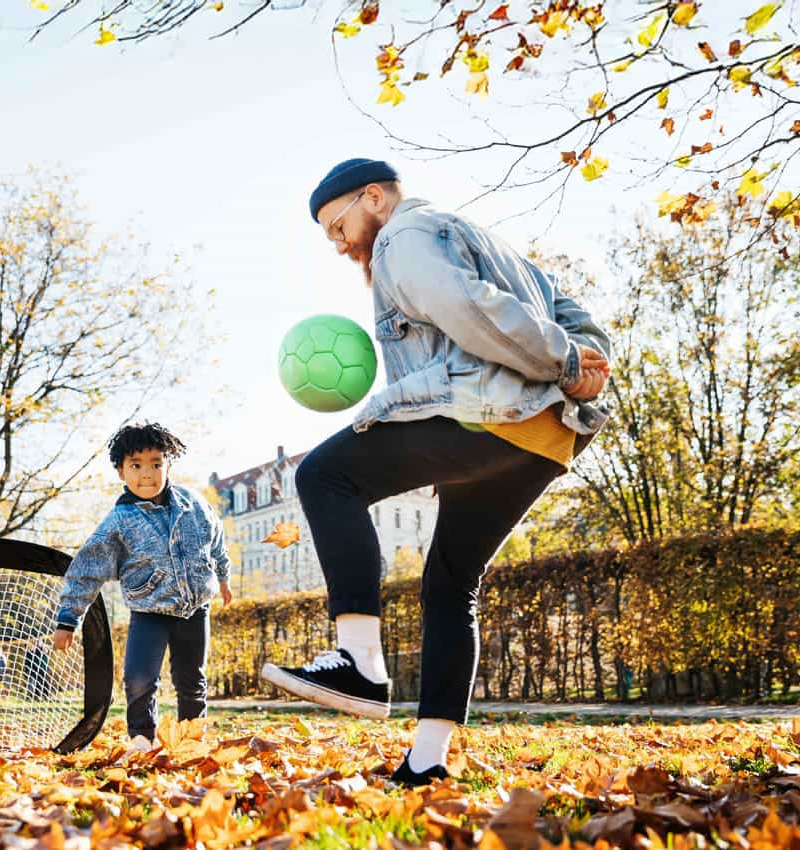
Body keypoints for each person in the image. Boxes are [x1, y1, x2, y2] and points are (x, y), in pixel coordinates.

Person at [260, 158, 612, 787]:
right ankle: (427, 762)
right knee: (452, 585)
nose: (338, 246)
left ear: (373, 197)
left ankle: (360, 661)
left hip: (489, 416)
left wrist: (561, 359)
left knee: (324, 477)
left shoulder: (404, 235)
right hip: (544, 435)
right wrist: (584, 361)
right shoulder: (491, 243)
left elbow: (465, 308)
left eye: (337, 227)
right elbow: (577, 316)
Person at [50, 422, 233, 751]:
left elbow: (215, 539)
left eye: (156, 464)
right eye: (136, 466)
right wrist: (68, 618)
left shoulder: (195, 505)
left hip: (195, 609)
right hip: (149, 611)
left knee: (192, 681)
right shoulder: (119, 522)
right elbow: (87, 570)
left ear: (168, 466)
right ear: (121, 472)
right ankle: (142, 738)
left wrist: (223, 575)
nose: (146, 474)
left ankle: (192, 738)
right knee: (139, 679)